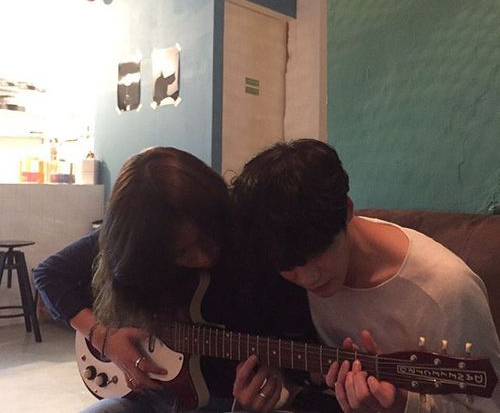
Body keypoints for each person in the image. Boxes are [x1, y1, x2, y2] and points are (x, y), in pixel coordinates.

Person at [34, 146, 337, 413]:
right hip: (141, 397)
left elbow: (295, 334)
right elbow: (49, 274)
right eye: (182, 252)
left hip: (221, 401)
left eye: (208, 236)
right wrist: (104, 338)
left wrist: (276, 377)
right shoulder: (142, 235)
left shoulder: (254, 237)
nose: (204, 257)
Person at [230, 138, 500, 412]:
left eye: (318, 253)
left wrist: (402, 404)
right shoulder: (282, 263)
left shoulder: (447, 289)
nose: (309, 278)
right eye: (289, 266)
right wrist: (278, 391)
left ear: (347, 209)